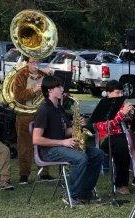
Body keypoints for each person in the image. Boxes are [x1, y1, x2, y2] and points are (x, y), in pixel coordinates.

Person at [32, 75, 105, 205]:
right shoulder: (44, 110)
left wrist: (77, 126)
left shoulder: (58, 107)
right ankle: (71, 195)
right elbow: (36, 139)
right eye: (59, 87)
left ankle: (85, 192)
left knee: (98, 154)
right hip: (49, 150)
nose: (62, 89)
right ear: (49, 90)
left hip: (62, 146)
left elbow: (64, 131)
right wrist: (62, 142)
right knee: (81, 158)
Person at [94, 80, 135, 195]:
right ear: (108, 93)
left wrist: (131, 115)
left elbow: (128, 122)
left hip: (122, 135)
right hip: (107, 138)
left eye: (121, 92)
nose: (120, 95)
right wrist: (122, 114)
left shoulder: (121, 104)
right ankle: (121, 184)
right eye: (117, 92)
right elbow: (103, 127)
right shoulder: (102, 105)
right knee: (122, 145)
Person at [11, 56, 47, 185]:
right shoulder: (21, 75)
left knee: (44, 142)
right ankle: (24, 175)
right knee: (25, 145)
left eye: (38, 61)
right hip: (25, 115)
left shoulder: (43, 74)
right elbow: (18, 97)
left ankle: (44, 172)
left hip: (41, 114)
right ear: (27, 63)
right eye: (33, 62)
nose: (36, 64)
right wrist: (33, 90)